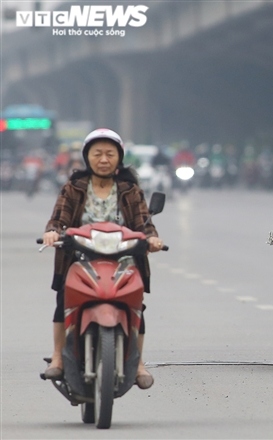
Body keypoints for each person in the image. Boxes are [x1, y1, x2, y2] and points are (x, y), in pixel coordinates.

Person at [41, 128, 164, 390]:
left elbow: (144, 223)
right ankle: (57, 358)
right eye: (98, 154)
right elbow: (58, 219)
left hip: (123, 258)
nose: (104, 159)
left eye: (110, 153)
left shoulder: (130, 190)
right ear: (88, 158)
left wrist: (152, 239)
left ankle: (139, 363)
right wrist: (52, 232)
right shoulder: (73, 188)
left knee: (137, 307)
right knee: (64, 300)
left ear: (119, 157)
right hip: (78, 256)